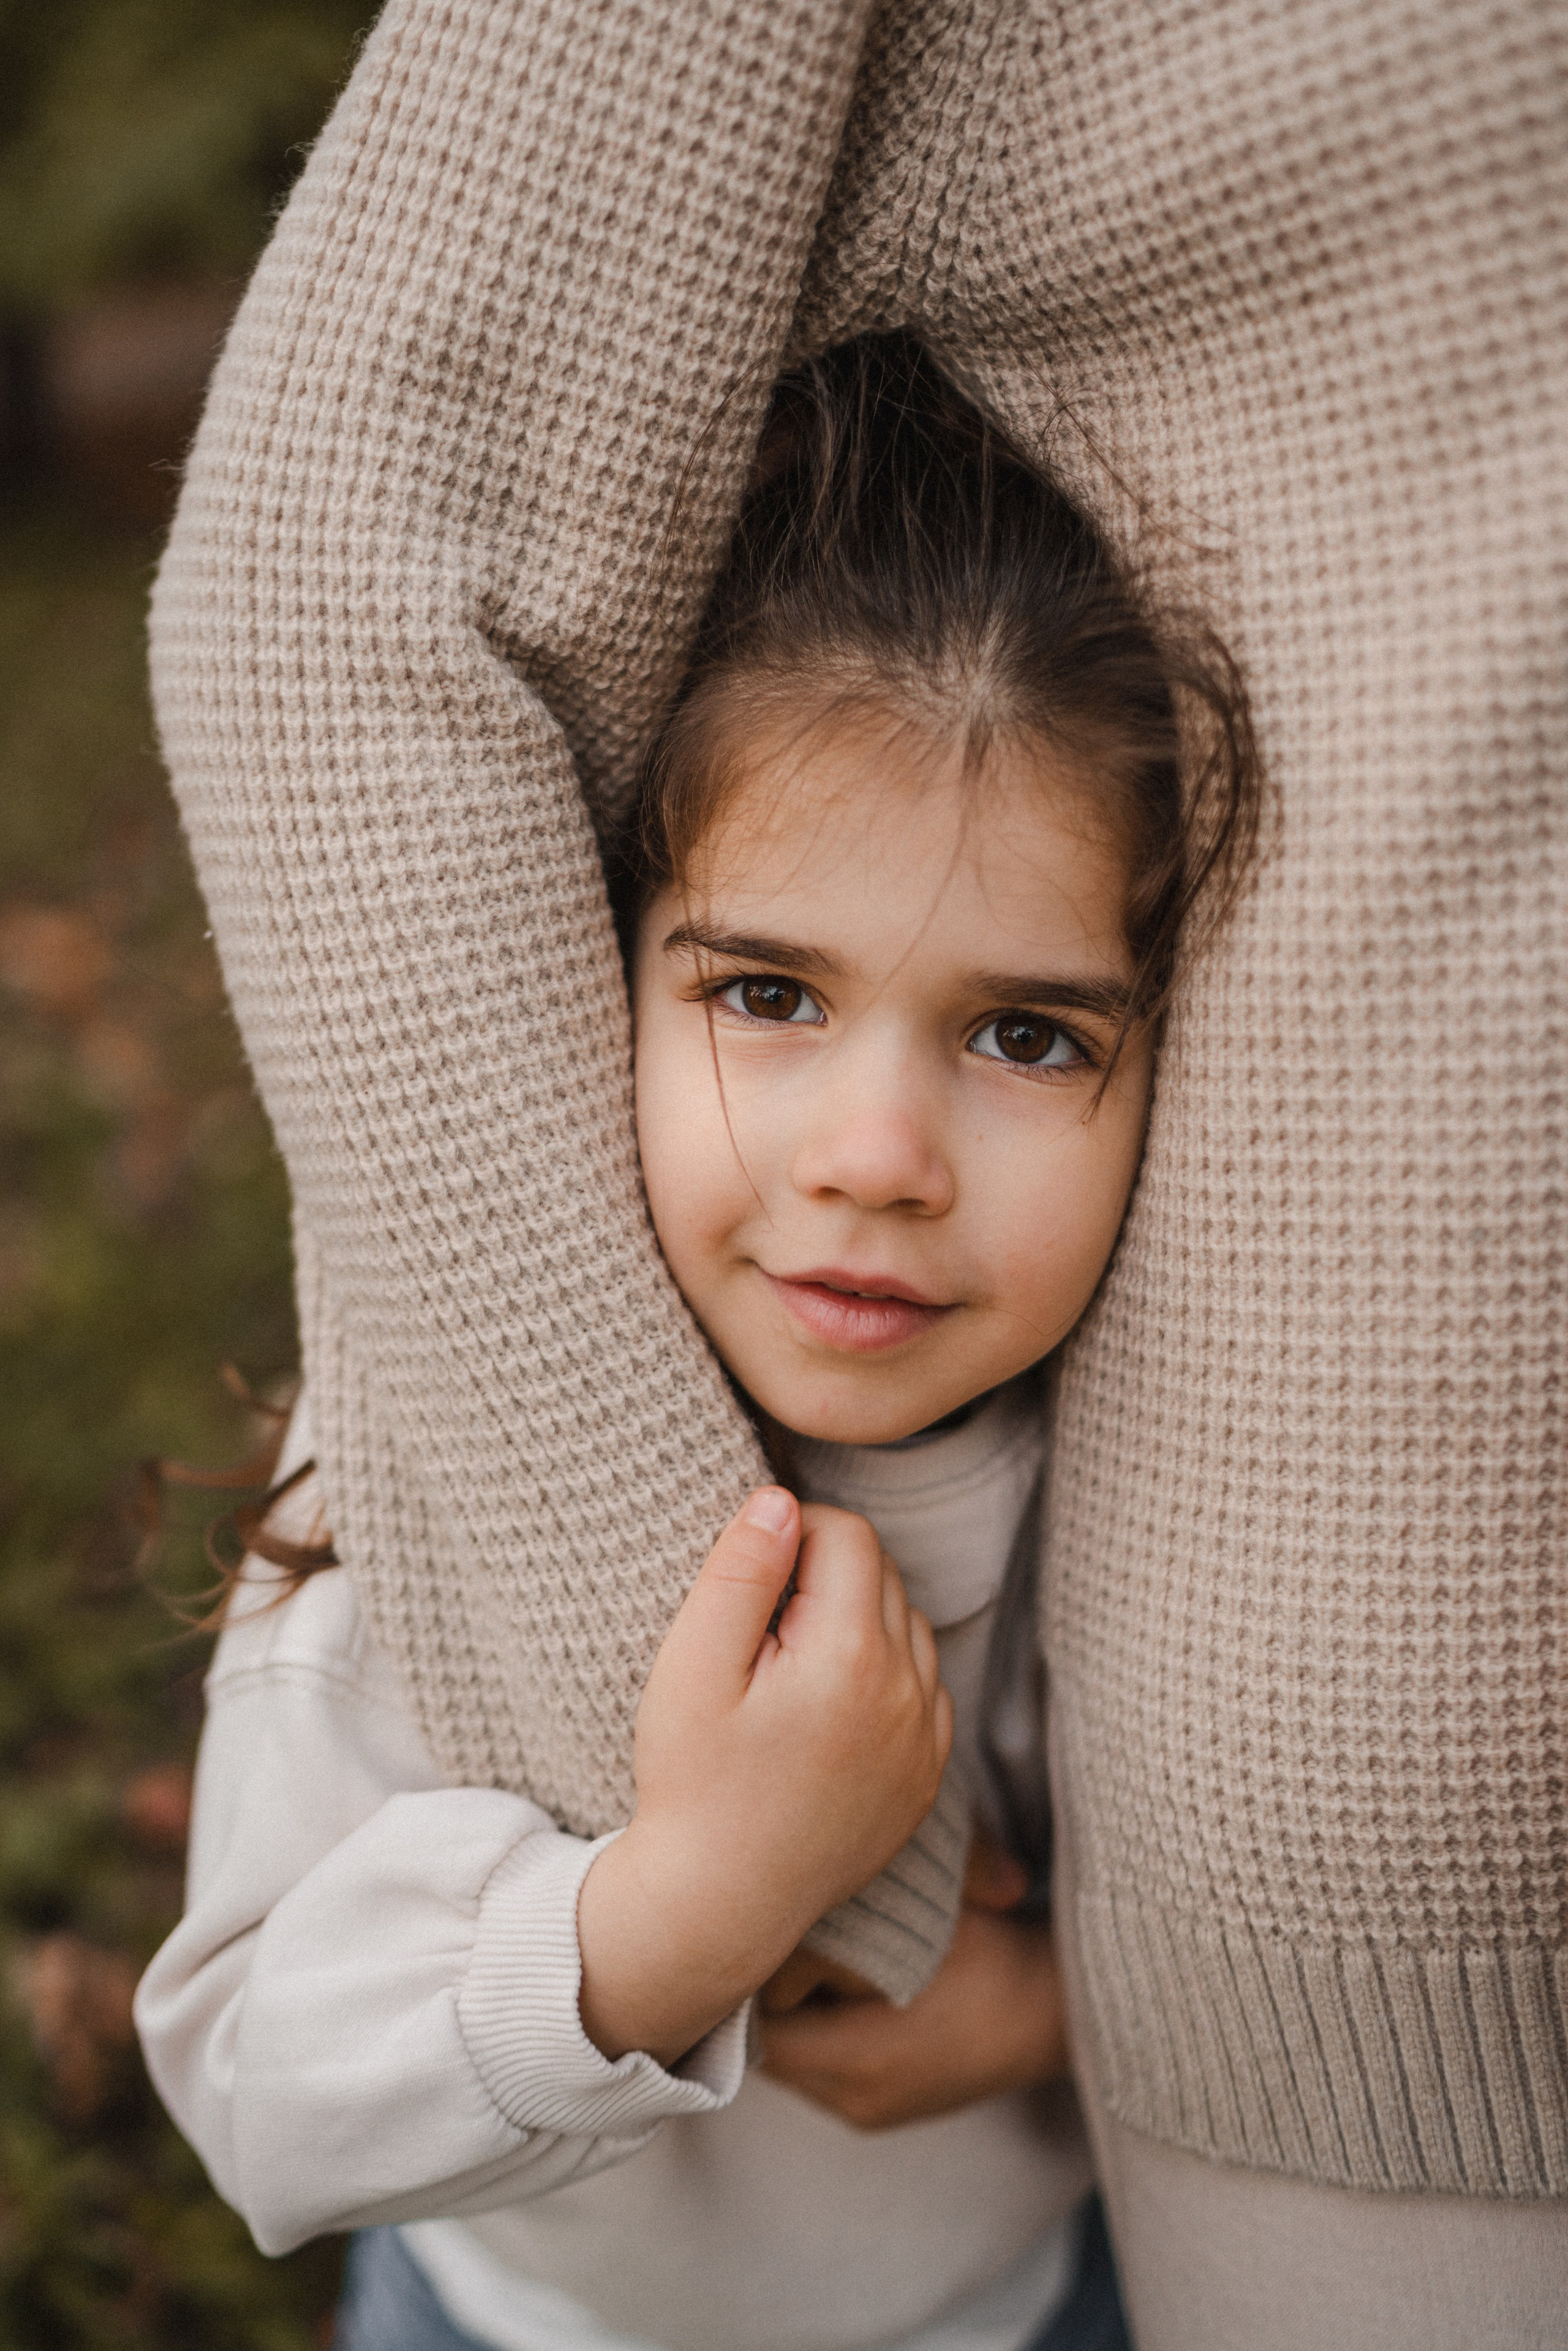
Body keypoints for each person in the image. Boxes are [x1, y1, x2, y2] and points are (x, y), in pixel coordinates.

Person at [137, 336, 1257, 2350]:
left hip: (1020, 2299)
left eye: (1028, 1034)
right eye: (767, 992)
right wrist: (689, 1910)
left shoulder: (1167, 1443)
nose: (880, 1158)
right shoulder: (433, 1458)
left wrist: (1052, 2010)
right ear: (599, 982)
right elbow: (255, 2091)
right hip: (521, 2323)